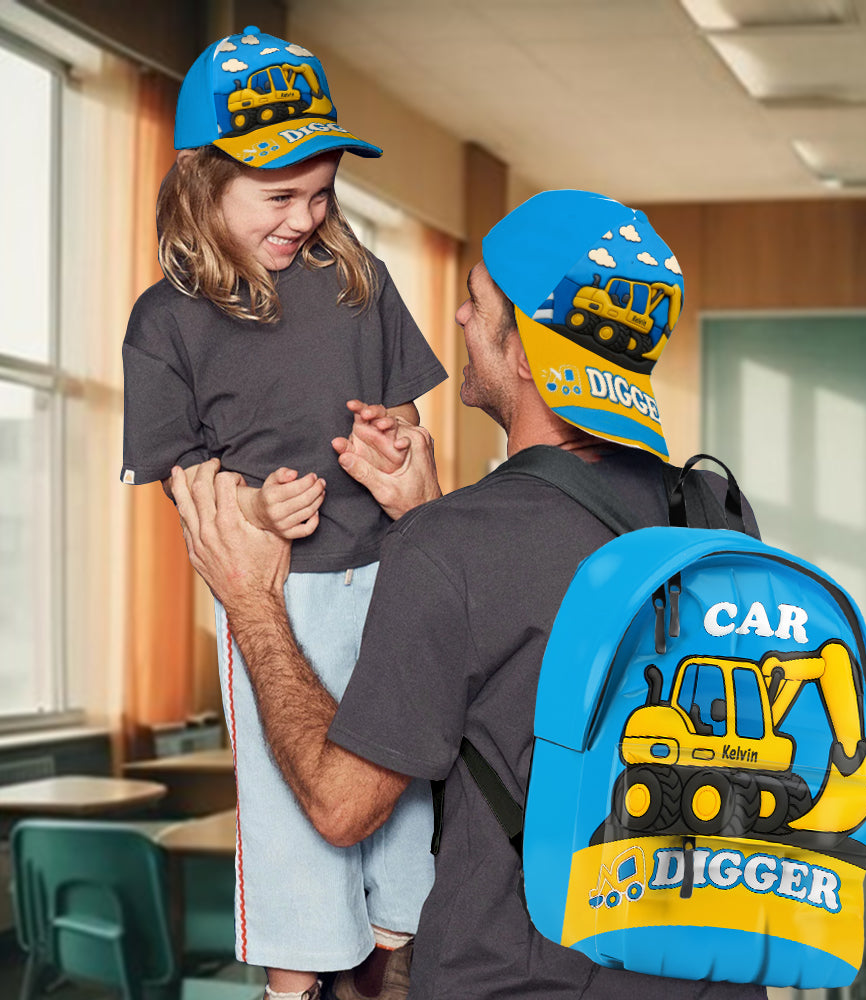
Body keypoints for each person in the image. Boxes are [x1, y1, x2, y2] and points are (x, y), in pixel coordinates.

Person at [171, 190, 765, 1000]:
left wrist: (253, 605)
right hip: (708, 975)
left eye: (479, 301)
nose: (456, 317)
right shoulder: (716, 513)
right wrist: (430, 515)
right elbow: (550, 666)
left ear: (526, 352)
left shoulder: (457, 545)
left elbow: (342, 807)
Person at [120, 25, 446, 1000]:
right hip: (278, 595)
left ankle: (396, 955)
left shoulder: (361, 283)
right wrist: (257, 504)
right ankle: (293, 986)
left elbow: (406, 420)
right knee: (288, 808)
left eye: (320, 193)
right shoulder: (166, 321)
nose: (304, 216)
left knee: (400, 787)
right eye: (278, 197)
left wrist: (394, 444)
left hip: (388, 572)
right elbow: (186, 487)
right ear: (198, 184)